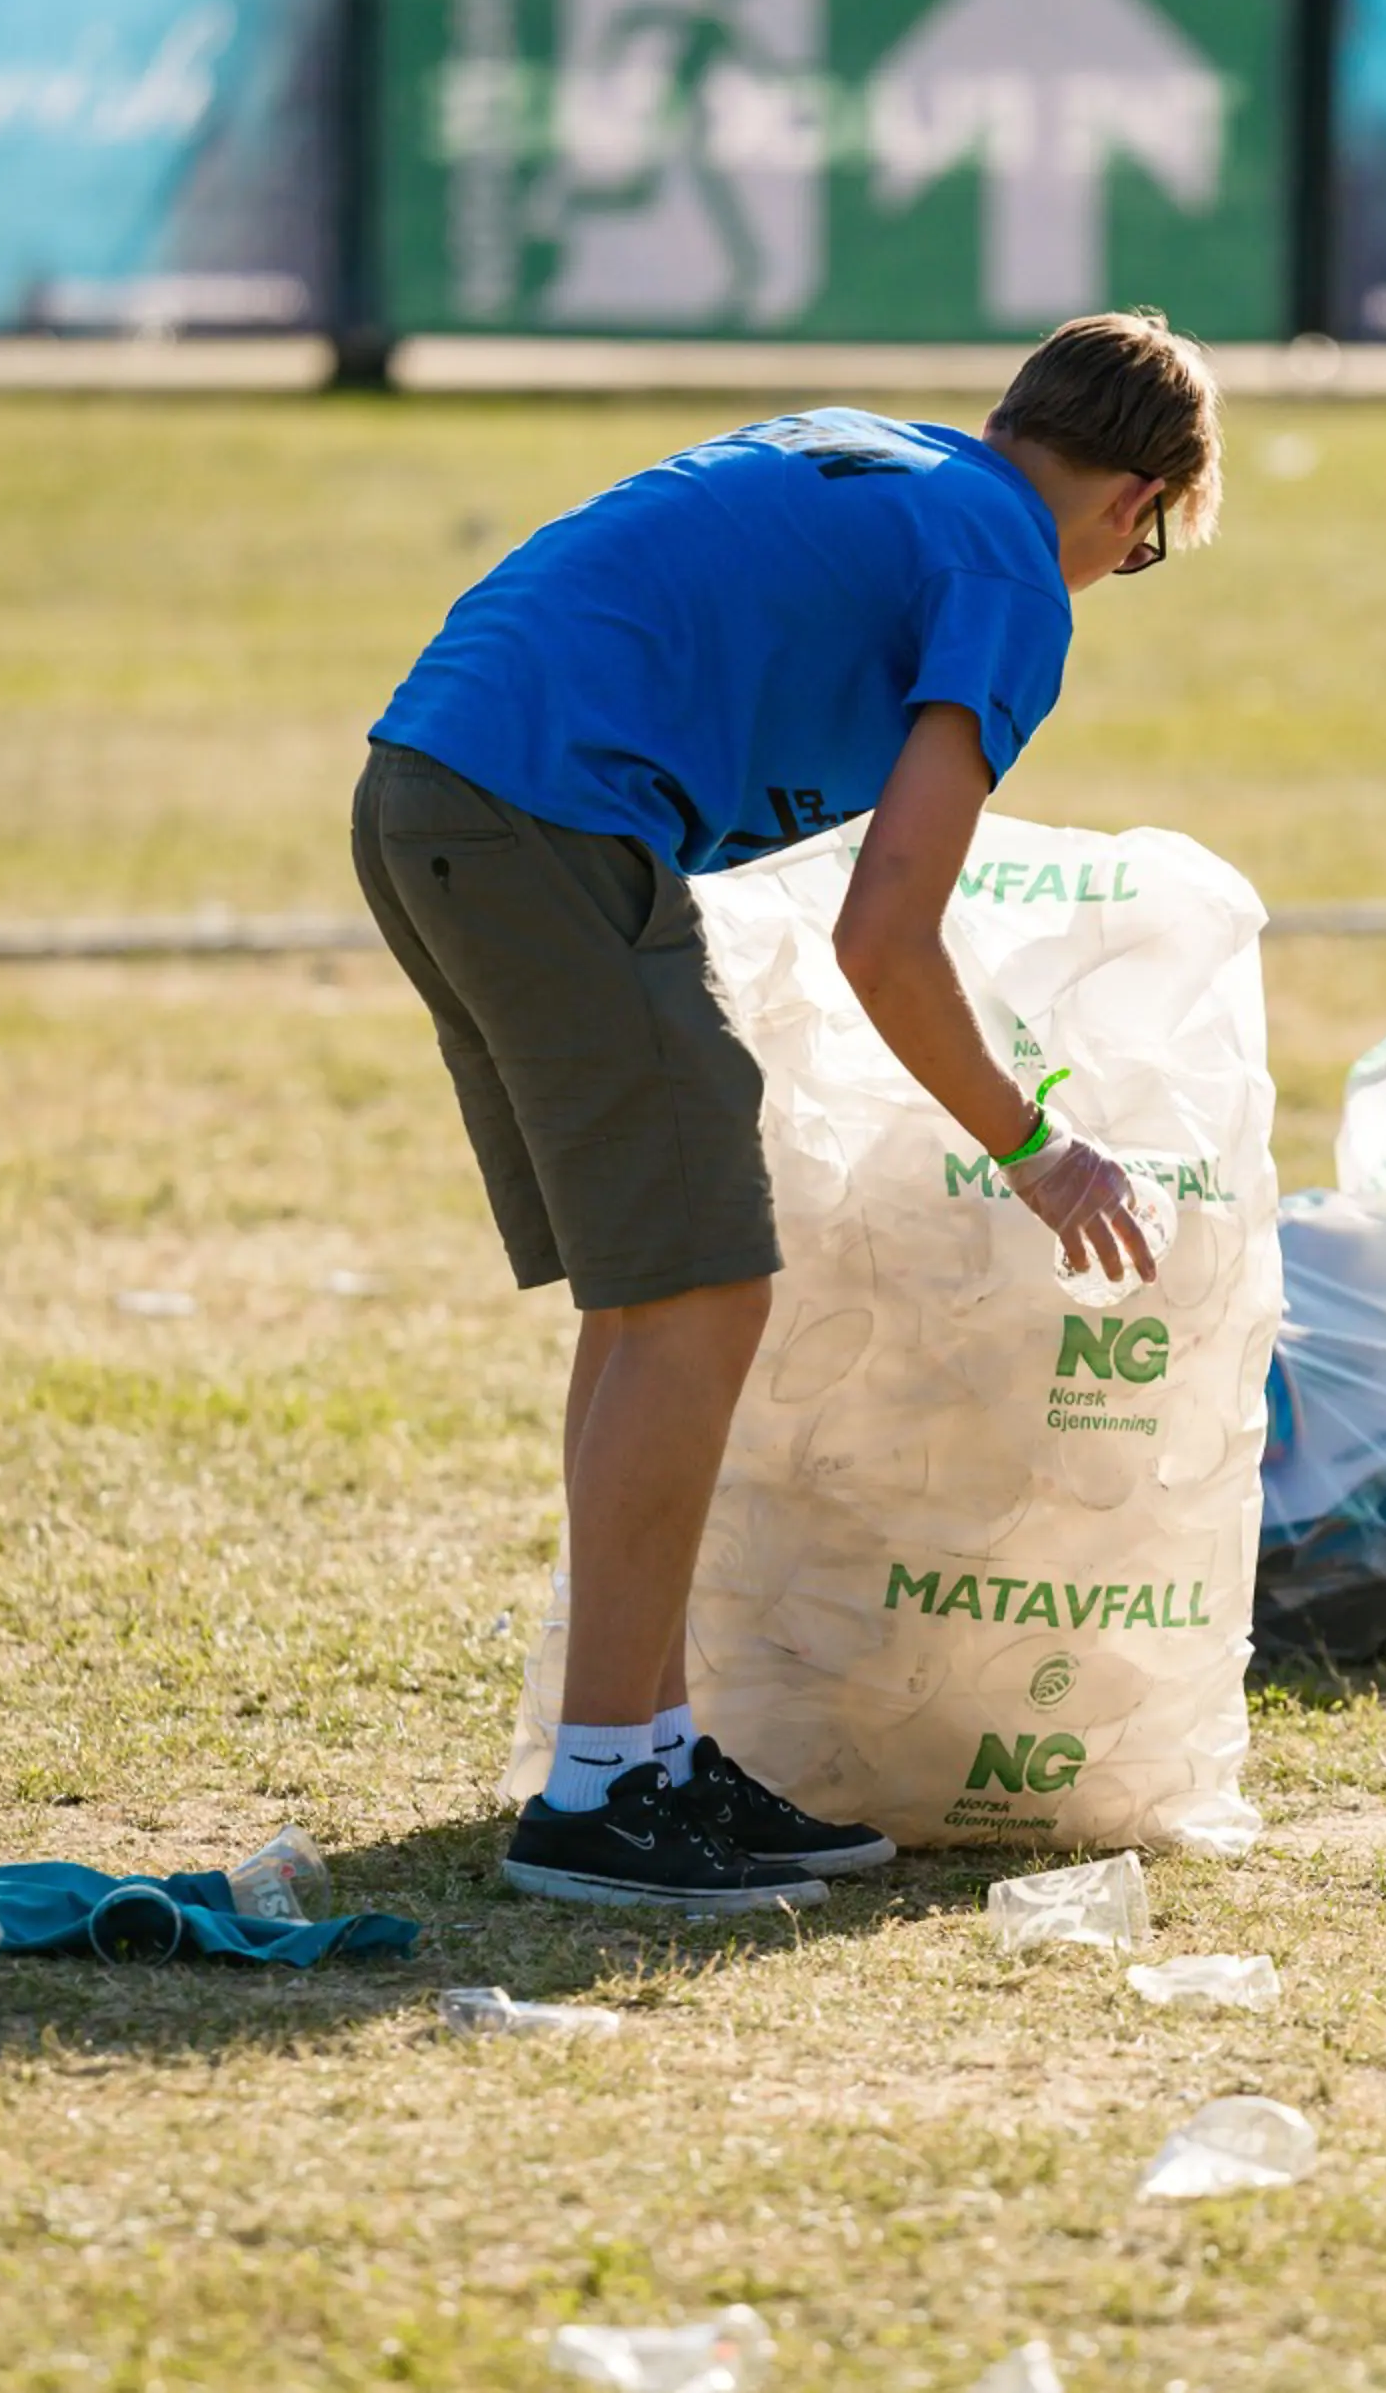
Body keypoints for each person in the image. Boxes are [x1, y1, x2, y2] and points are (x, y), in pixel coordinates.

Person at [353, 312, 1220, 1912]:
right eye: (1147, 550)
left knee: (653, 1297)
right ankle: (604, 1790)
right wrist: (1039, 1145)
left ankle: (643, 1742)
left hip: (431, 787)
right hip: (546, 816)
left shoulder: (885, 452)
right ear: (1136, 500)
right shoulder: (1014, 568)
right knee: (696, 1297)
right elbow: (884, 932)